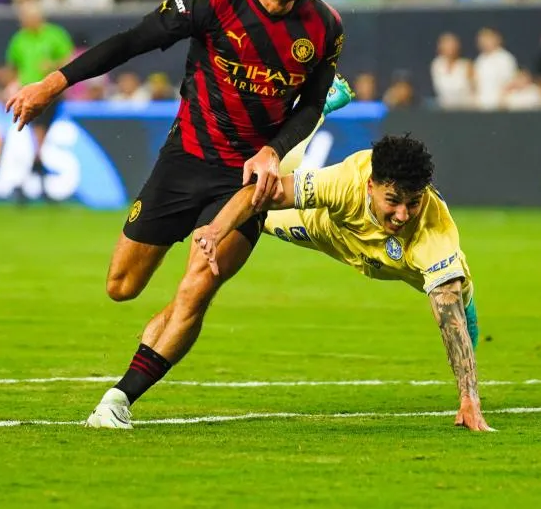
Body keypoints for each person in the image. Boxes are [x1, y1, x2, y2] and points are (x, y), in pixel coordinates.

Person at [4, 0, 355, 429]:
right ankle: (142, 361)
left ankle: (119, 399)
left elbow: (308, 105)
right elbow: (130, 43)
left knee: (197, 286)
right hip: (184, 161)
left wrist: (272, 151)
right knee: (122, 287)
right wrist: (51, 85)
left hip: (245, 181)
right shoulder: (211, 4)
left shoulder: (325, 25)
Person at [193, 134, 493, 432]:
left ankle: (470, 320)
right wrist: (215, 231)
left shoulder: (433, 232)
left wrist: (469, 399)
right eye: (393, 201)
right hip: (328, 232)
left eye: (413, 202)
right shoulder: (344, 180)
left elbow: (448, 318)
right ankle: (320, 113)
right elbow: (261, 193)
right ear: (370, 186)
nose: (402, 214)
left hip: (404, 259)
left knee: (457, 297)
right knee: (255, 209)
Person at [4, 0, 75, 193]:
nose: (23, 21)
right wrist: (11, 87)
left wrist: (52, 66)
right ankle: (37, 164)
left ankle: (33, 167)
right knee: (35, 134)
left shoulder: (55, 35)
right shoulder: (19, 39)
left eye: (26, 18)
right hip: (26, 93)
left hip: (50, 93)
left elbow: (69, 60)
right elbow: (13, 67)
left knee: (36, 132)